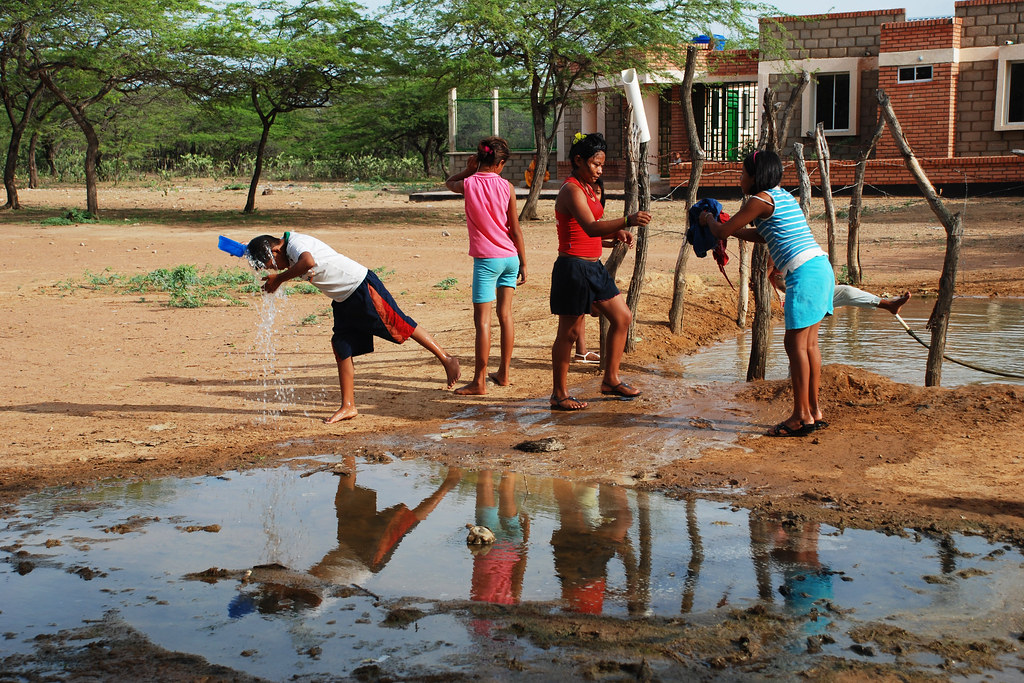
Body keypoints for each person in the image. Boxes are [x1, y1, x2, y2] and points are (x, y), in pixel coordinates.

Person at [247, 232, 461, 423]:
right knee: (341, 346)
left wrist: (279, 280)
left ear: (276, 250)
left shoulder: (295, 243)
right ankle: (348, 405)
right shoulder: (284, 250)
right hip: (343, 299)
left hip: (360, 288)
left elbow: (308, 262)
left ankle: (446, 359)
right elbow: (273, 253)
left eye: (272, 264)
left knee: (399, 324)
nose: (277, 269)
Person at [701, 150, 834, 437]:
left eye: (742, 174)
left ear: (754, 176)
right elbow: (764, 235)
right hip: (820, 267)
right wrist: (731, 230)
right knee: (809, 346)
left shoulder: (758, 200)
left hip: (804, 274)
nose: (740, 179)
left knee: (795, 345)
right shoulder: (782, 196)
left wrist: (708, 219)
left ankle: (800, 417)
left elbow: (721, 232)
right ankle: (814, 411)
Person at [550, 132, 651, 411]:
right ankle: (559, 393)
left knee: (622, 317)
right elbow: (590, 227)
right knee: (568, 334)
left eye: (602, 165)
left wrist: (615, 234)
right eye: (596, 164)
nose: (600, 170)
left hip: (593, 267)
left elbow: (592, 233)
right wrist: (628, 220)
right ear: (578, 160)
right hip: (572, 268)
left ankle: (611, 379)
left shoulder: (589, 188)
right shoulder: (570, 189)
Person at [445, 137, 527, 395]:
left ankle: (479, 381)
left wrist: (469, 170)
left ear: (478, 159)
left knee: (482, 322)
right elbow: (515, 228)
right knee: (506, 316)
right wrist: (523, 261)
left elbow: (449, 183)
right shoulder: (507, 187)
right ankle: (503, 373)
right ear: (500, 163)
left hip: (486, 262)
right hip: (510, 258)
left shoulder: (468, 184)